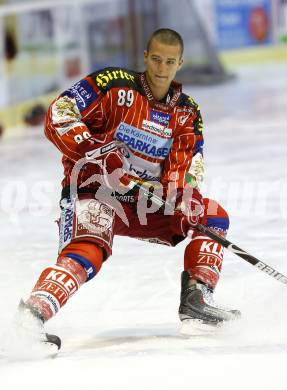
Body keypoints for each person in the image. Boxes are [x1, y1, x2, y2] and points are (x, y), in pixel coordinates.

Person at [17, 28, 239, 351]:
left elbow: (189, 165)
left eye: (170, 62)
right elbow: (59, 113)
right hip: (94, 192)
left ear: (180, 64)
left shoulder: (187, 113)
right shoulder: (113, 85)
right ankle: (32, 315)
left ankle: (197, 298)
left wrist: (181, 194)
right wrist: (94, 150)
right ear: (146, 57)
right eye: (157, 59)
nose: (162, 68)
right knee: (88, 250)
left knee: (211, 216)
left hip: (144, 203)